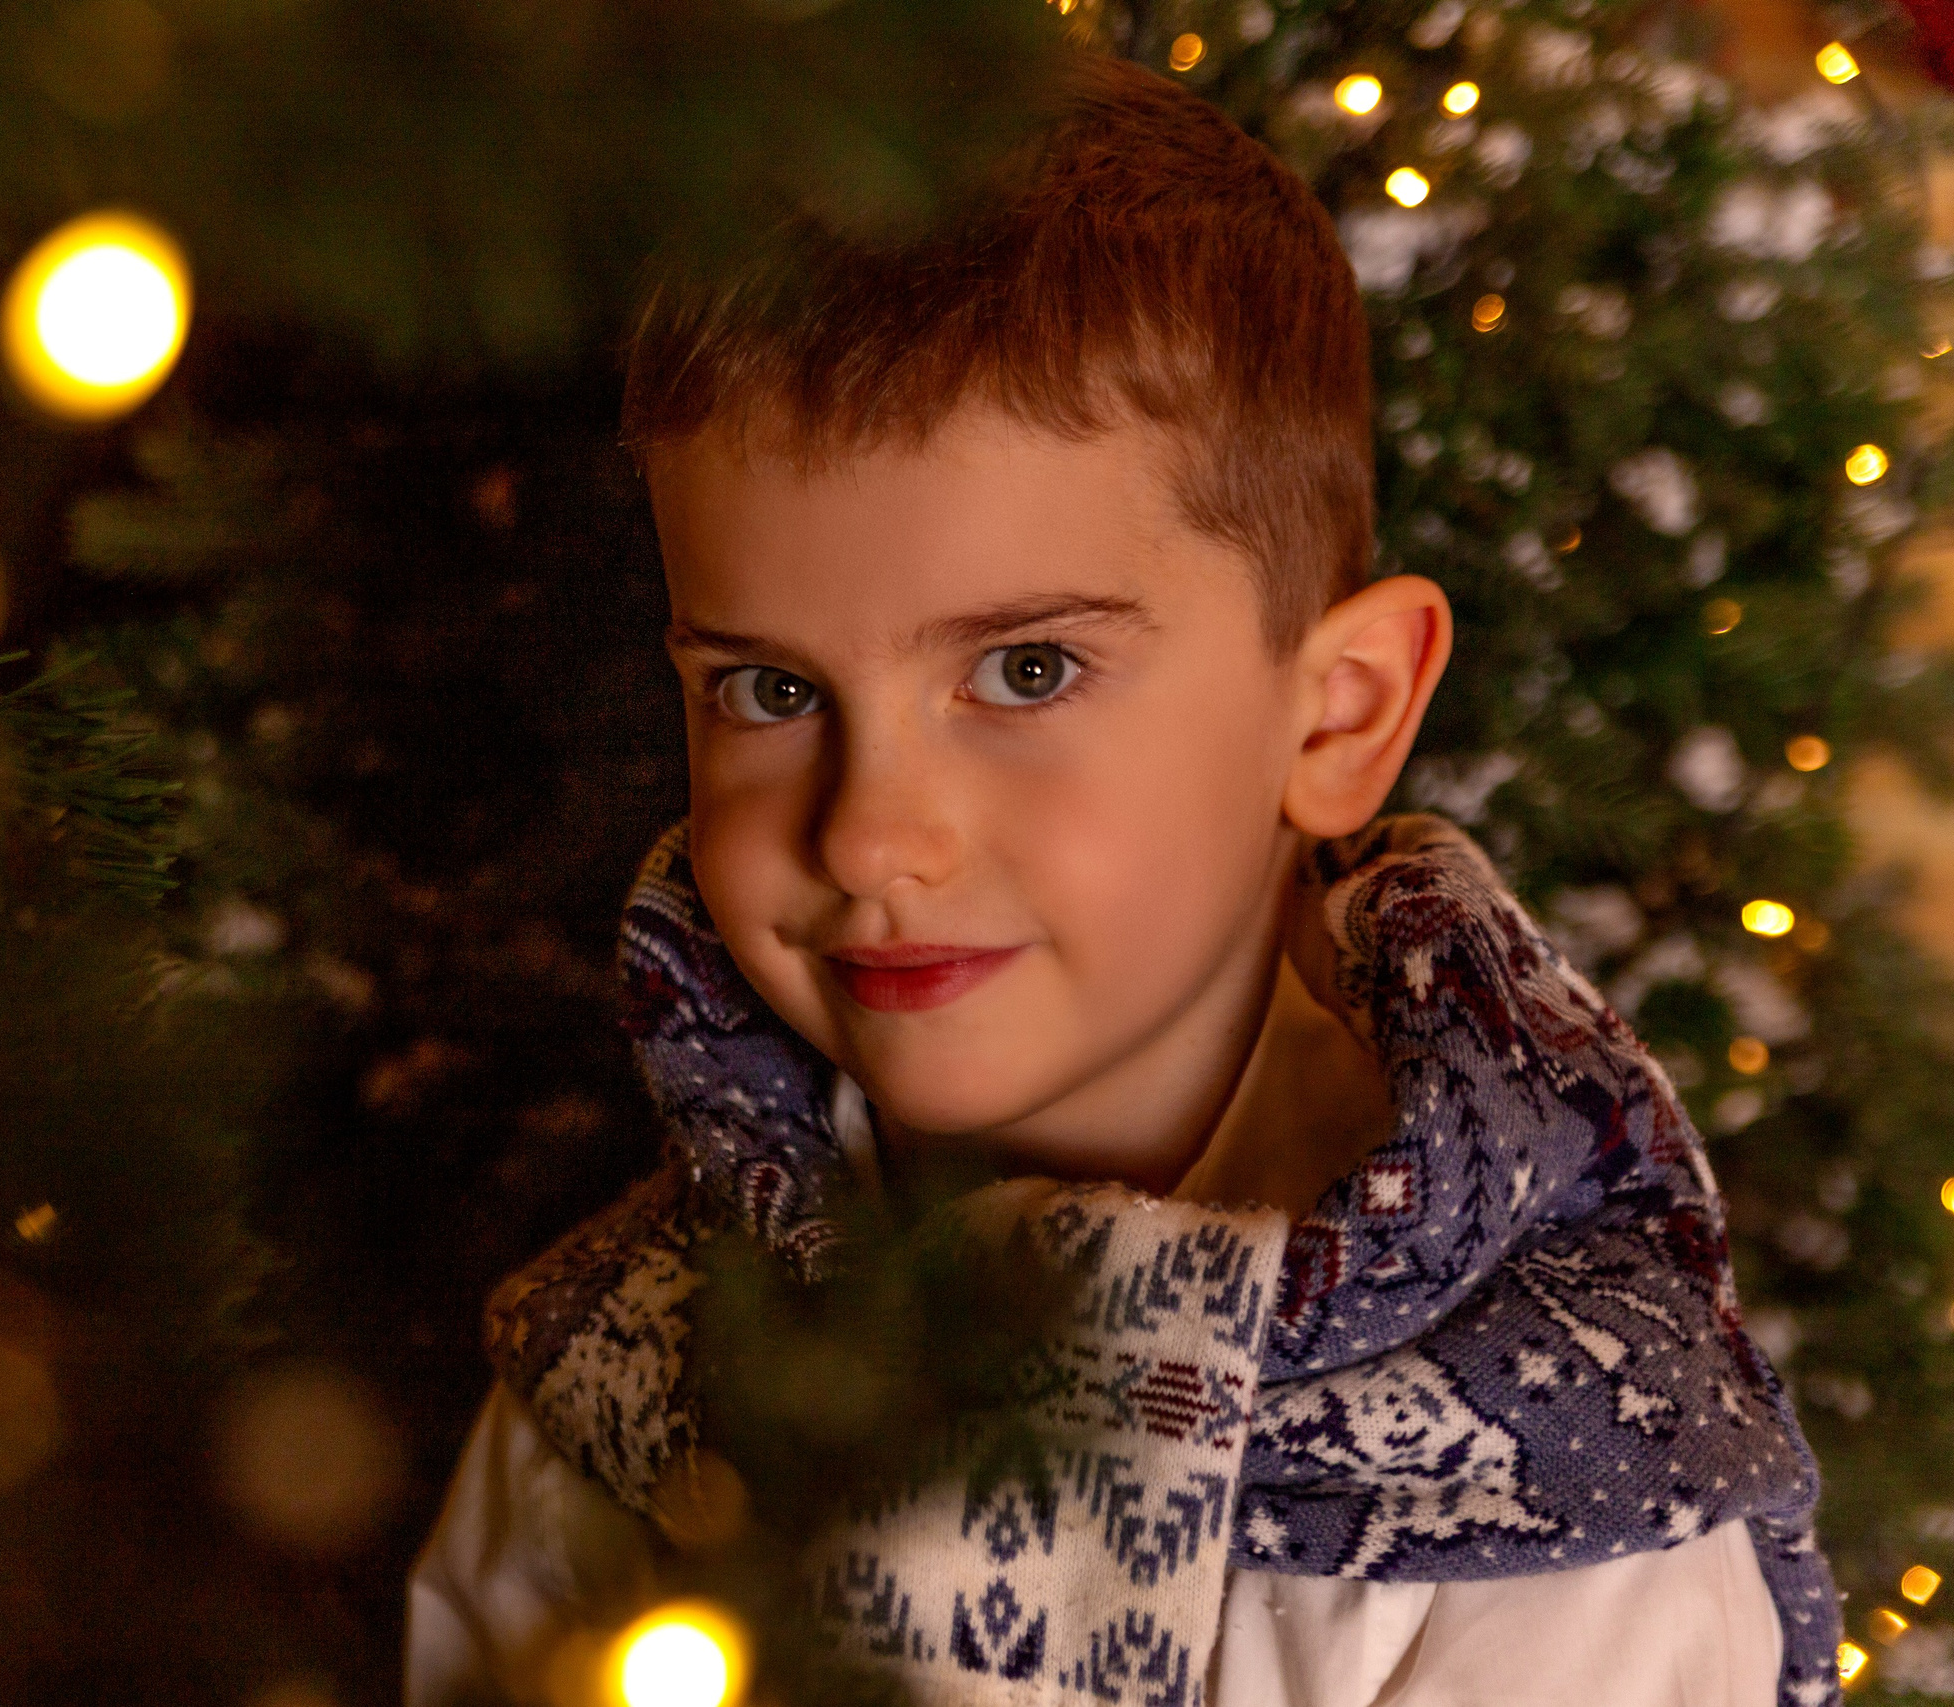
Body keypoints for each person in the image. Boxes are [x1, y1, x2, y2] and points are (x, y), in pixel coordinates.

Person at [407, 50, 1839, 1707]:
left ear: (1340, 713)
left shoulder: (1573, 1494)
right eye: (773, 692)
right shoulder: (630, 1369)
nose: (871, 835)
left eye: (1025, 674)